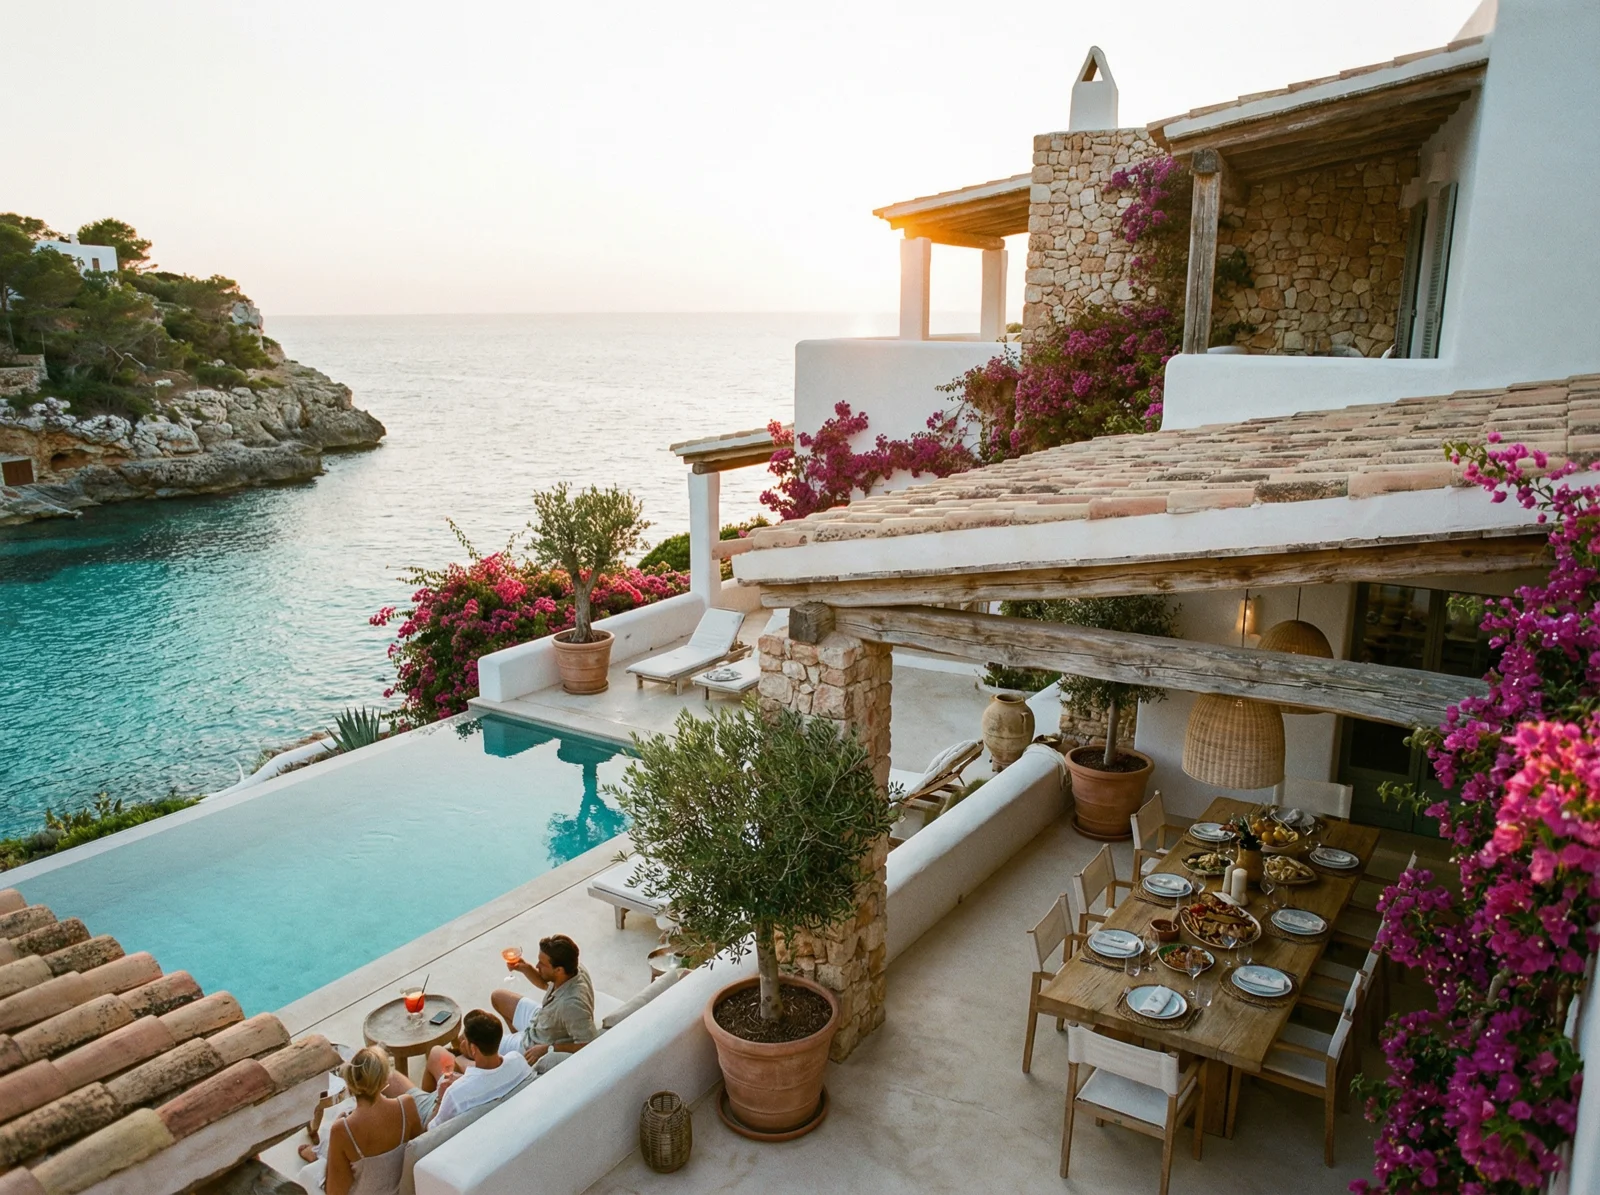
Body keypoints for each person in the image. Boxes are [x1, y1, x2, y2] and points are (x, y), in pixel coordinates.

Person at [299, 1047, 425, 1195]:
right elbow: (418, 1151)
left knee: (305, 1175)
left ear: (350, 1085)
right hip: (402, 1190)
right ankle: (319, 1156)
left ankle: (319, 1157)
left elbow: (335, 1191)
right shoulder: (406, 1105)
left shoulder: (343, 1129)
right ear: (384, 1079)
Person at [490, 933, 598, 1069]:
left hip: (538, 1042)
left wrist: (548, 1049)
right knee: (498, 997)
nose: (537, 966)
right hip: (543, 1019)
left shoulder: (572, 1005)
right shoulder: (573, 969)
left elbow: (589, 1044)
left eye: (541, 964)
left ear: (558, 970)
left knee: (471, 1042)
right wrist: (525, 968)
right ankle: (516, 1039)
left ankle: (519, 1052)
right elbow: (545, 984)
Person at [421, 1008, 531, 1128]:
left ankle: (427, 1098)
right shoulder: (517, 1060)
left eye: (465, 1040)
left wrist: (440, 1099)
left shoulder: (455, 1094)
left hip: (439, 1110)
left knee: (401, 1085)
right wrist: (464, 1080)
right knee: (437, 1053)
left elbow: (430, 1131)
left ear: (473, 1049)